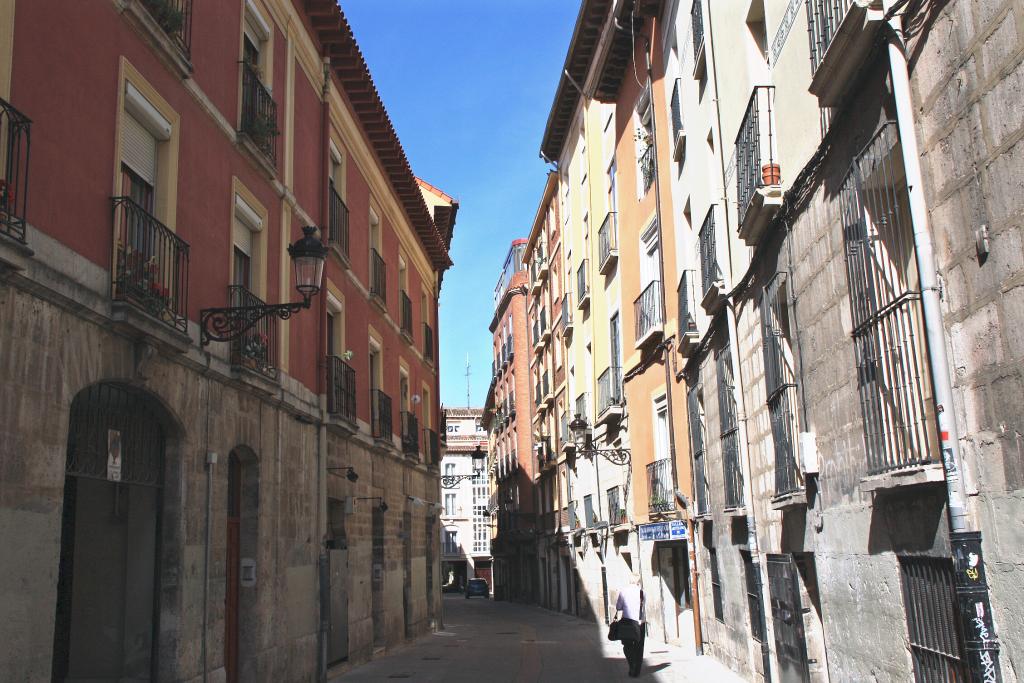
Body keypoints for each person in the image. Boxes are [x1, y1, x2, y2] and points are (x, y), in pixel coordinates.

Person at [613, 575, 646, 678]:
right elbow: (644, 606)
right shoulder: (642, 592)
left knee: (627, 646)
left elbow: (618, 607)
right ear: (638, 581)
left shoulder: (624, 591)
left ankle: (632, 665)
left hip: (627, 622)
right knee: (639, 647)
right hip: (639, 623)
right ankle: (636, 671)